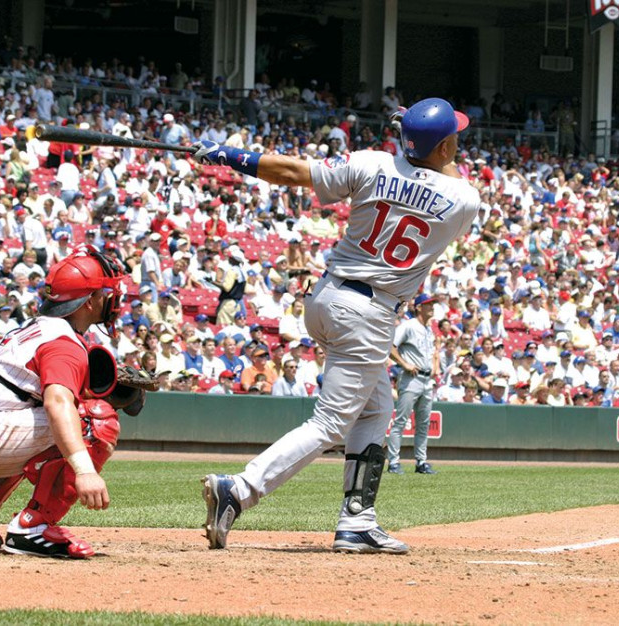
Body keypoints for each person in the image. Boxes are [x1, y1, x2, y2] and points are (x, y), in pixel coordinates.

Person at [193, 97, 479, 553]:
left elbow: (290, 173)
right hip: (369, 312)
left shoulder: (371, 163)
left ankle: (358, 520)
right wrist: (415, 137)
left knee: (375, 410)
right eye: (454, 138)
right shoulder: (464, 199)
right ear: (443, 146)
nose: (458, 145)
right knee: (330, 423)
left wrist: (230, 156)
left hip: (326, 298)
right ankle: (240, 489)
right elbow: (437, 169)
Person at [0, 246, 129, 558]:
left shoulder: (33, 327)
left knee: (27, 413)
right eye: (104, 292)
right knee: (93, 419)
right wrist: (84, 470)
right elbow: (58, 402)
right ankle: (35, 525)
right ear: (88, 301)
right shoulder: (64, 341)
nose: (110, 298)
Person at [386, 293, 439, 475]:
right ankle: (393, 462)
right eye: (428, 304)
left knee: (424, 423)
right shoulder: (409, 326)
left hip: (426, 379)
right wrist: (404, 363)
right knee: (401, 420)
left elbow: (432, 353)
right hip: (411, 378)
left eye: (432, 304)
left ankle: (421, 462)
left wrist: (434, 366)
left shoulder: (428, 329)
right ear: (418, 307)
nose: (432, 307)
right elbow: (390, 346)